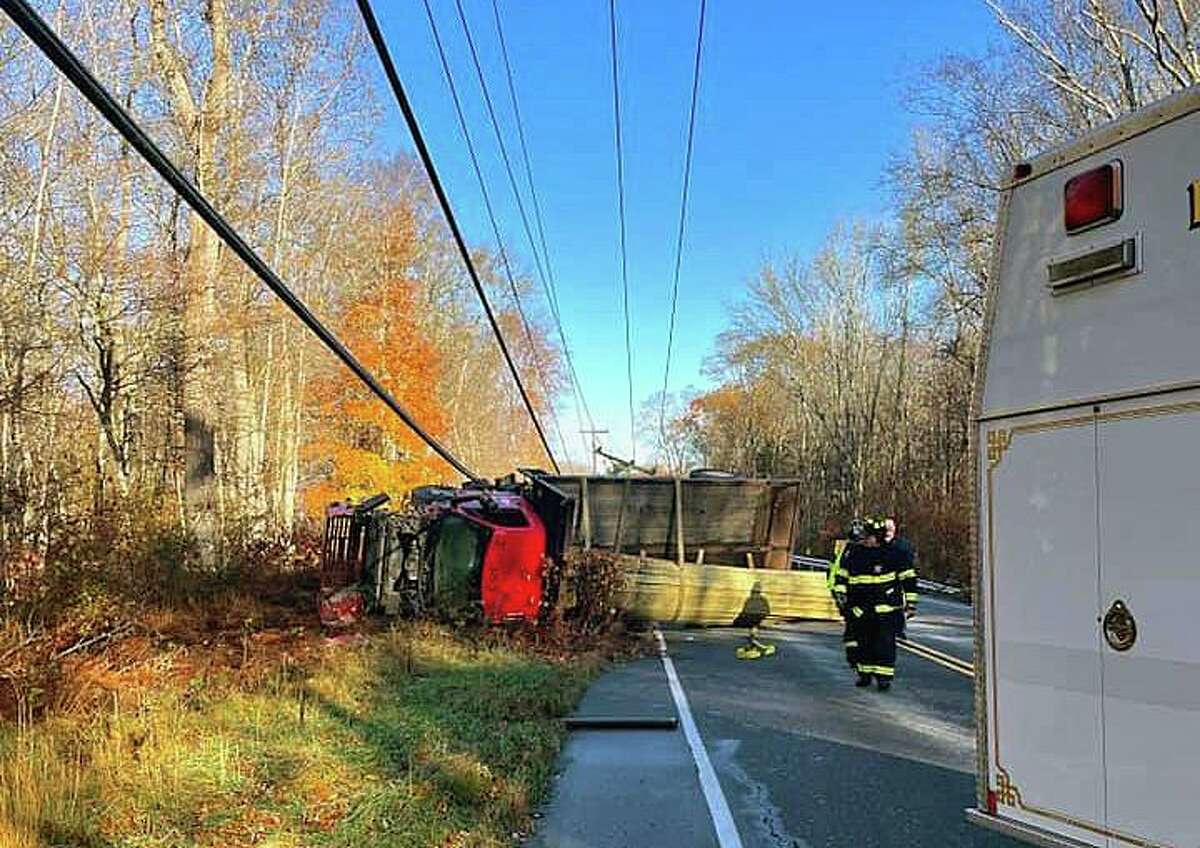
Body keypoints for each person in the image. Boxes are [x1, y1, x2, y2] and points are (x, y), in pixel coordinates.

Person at [834, 518, 906, 690]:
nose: (865, 539)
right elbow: (842, 574)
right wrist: (842, 595)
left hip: (886, 609)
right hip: (861, 608)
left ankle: (883, 678)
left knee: (885, 644)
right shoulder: (855, 552)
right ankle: (864, 674)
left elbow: (907, 576)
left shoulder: (893, 552)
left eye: (869, 536)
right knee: (863, 642)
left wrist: (910, 603)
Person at [883, 518, 919, 626]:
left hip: (893, 596)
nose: (888, 531)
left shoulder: (901, 548)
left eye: (890, 528)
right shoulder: (871, 546)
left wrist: (911, 603)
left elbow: (908, 577)